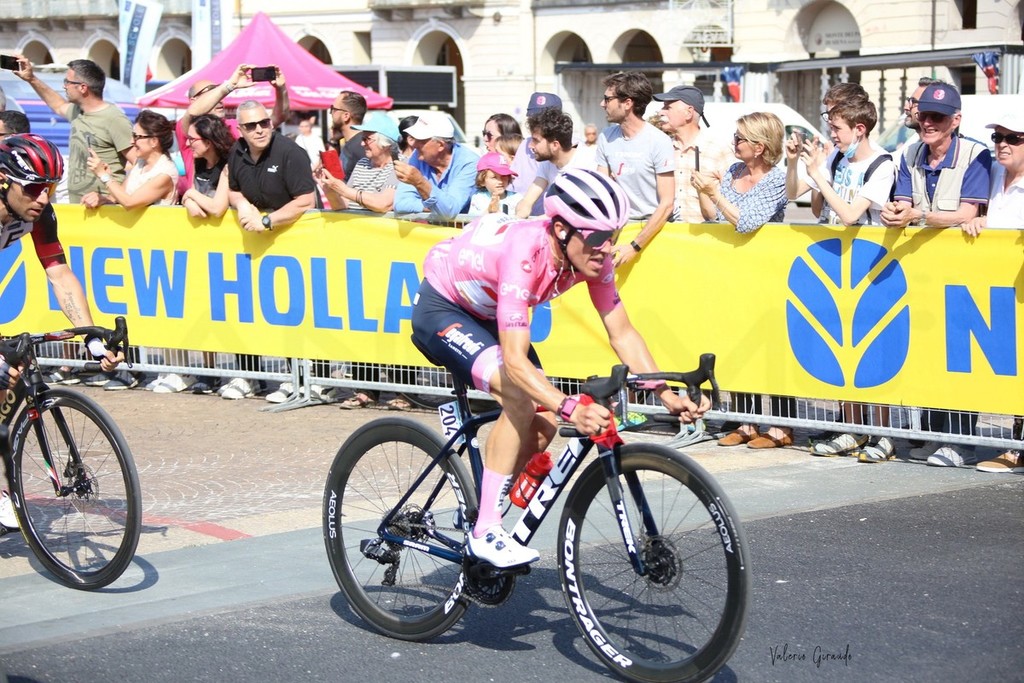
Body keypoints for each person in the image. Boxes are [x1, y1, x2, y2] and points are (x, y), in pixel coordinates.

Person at [410, 169, 708, 567]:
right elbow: (515, 363)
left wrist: (666, 395)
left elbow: (622, 333)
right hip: (444, 307)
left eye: (614, 235)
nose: (607, 248)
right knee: (519, 395)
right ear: (562, 230)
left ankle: (481, 507)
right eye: (598, 237)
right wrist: (573, 408)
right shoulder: (524, 253)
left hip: (488, 313)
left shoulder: (593, 260)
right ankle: (485, 531)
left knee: (544, 424)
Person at [0, 134, 123, 530]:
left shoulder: (39, 214)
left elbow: (59, 272)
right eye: (33, 188)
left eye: (50, 189)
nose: (43, 198)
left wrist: (91, 337)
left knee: (7, 379)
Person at [880, 82, 992, 467]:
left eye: (938, 117)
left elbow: (967, 213)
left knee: (960, 357)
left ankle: (961, 442)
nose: (928, 122)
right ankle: (932, 433)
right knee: (926, 351)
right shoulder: (910, 153)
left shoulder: (976, 155)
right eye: (924, 114)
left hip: (964, 275)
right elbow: (904, 202)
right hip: (920, 273)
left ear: (955, 120)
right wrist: (895, 213)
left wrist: (918, 215)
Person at [798, 97, 899, 462]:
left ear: (859, 129)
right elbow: (815, 206)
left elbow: (851, 214)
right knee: (844, 346)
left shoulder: (882, 164)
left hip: (871, 266)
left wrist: (819, 177)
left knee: (875, 349)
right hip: (837, 266)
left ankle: (883, 432)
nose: (833, 135)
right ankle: (853, 427)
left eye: (837, 128)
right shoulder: (838, 159)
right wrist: (810, 170)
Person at [692, 112, 796, 449]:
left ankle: (781, 425)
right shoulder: (735, 171)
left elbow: (747, 222)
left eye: (740, 138)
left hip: (766, 272)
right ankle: (745, 421)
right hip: (732, 272)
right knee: (737, 343)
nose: (734, 143)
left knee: (772, 349)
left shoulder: (776, 180)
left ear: (760, 146)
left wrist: (715, 193)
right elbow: (714, 216)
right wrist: (703, 190)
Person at [225, 100, 318, 401]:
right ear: (240, 129)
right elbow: (233, 188)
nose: (259, 130)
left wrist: (266, 221)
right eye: (251, 125)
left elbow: (306, 200)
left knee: (295, 311)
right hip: (256, 246)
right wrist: (242, 204)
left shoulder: (290, 153)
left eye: (264, 123)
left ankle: (303, 380)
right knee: (249, 310)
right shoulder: (237, 151)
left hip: (295, 243)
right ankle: (252, 376)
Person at [85, 109, 183, 392]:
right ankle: (151, 368)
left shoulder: (164, 172)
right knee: (145, 311)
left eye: (138, 136)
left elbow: (130, 202)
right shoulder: (139, 165)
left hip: (163, 246)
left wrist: (105, 176)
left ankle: (178, 370)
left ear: (154, 141)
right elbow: (122, 197)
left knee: (168, 311)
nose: (133, 141)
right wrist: (103, 198)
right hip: (140, 248)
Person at [965, 112, 1024, 473]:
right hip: (999, 292)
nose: (1002, 144)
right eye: (998, 137)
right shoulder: (995, 175)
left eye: (1012, 138)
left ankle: (1016, 450)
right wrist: (981, 220)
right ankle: (1016, 446)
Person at [13, 55, 134, 203]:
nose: (64, 86)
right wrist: (31, 78)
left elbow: (140, 165)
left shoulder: (114, 119)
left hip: (106, 210)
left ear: (83, 87)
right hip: (78, 208)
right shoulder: (78, 111)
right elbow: (58, 105)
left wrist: (111, 198)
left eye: (67, 82)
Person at [595, 72, 675, 267]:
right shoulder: (606, 136)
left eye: (608, 99)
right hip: (619, 229)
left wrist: (634, 246)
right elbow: (601, 192)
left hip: (653, 232)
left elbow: (667, 204)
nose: (602, 104)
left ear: (627, 103)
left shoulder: (659, 141)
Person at [174, 64, 290, 199]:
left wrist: (281, 89)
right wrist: (230, 85)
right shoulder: (188, 126)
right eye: (211, 91)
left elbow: (277, 117)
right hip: (200, 203)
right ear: (193, 100)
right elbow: (193, 112)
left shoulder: (233, 126)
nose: (220, 99)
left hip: (232, 204)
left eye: (218, 91)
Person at [653, 84, 732, 223]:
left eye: (668, 107)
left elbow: (734, 201)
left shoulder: (719, 149)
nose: (660, 112)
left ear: (689, 113)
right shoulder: (661, 148)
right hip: (666, 234)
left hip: (707, 235)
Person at [393, 111, 478, 221]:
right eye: (414, 138)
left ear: (441, 145)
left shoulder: (469, 163)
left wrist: (420, 182)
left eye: (421, 140)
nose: (413, 144)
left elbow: (450, 211)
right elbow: (400, 203)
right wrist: (432, 206)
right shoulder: (418, 156)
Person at [515, 107, 595, 218]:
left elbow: (576, 212)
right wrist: (518, 217)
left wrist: (536, 221)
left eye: (536, 141)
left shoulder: (589, 163)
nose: (530, 146)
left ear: (555, 145)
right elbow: (527, 201)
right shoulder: (547, 163)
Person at [317, 111, 400, 213]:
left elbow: (383, 204)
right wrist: (329, 190)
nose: (362, 144)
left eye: (367, 139)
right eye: (362, 138)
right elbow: (343, 205)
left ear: (386, 143)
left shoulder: (399, 165)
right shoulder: (362, 163)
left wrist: (343, 189)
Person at [510, 92, 562, 216]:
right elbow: (515, 188)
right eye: (533, 119)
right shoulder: (525, 145)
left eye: (544, 120)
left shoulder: (574, 148)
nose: (537, 124)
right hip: (526, 221)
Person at [329, 91, 367, 181]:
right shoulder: (352, 143)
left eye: (334, 109)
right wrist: (334, 142)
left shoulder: (361, 146)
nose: (331, 113)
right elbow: (334, 176)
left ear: (346, 116)